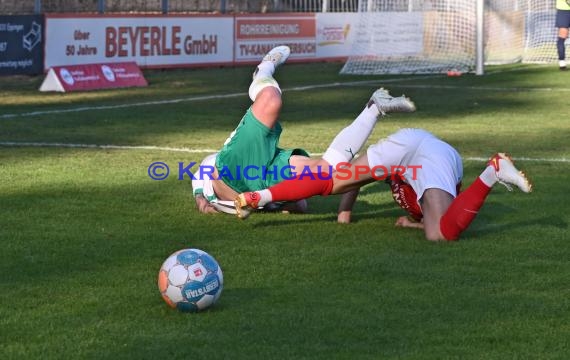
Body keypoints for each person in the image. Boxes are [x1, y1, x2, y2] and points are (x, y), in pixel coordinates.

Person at [192, 45, 415, 215]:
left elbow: (204, 168)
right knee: (324, 172)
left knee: (270, 100)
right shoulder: (236, 203)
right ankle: (374, 108)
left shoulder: (209, 175)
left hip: (236, 165)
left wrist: (199, 194)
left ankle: (263, 70)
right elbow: (299, 205)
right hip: (263, 181)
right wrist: (283, 204)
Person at [235, 128, 532, 242]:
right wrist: (344, 213)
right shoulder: (428, 199)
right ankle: (259, 196)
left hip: (431, 154)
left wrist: (413, 224)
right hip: (413, 147)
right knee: (331, 181)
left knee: (439, 236)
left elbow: (435, 221)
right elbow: (361, 177)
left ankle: (491, 173)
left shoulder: (431, 194)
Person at [556, 0, 570, 70]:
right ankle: (562, 62)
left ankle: (562, 63)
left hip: (563, 12)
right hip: (564, 10)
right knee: (562, 36)